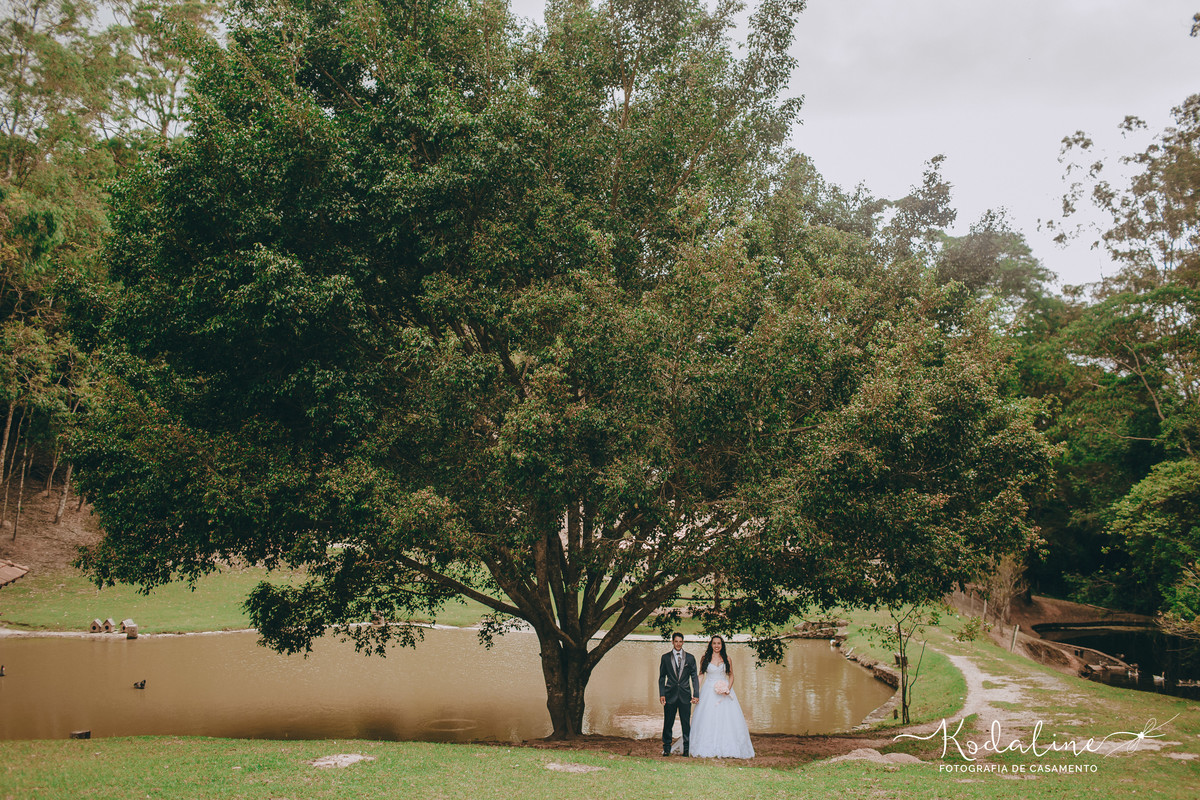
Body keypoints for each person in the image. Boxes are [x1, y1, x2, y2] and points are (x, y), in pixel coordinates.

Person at [676, 634, 755, 758]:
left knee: (727, 719)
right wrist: (696, 692)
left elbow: (731, 675)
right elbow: (701, 675)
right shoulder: (705, 658)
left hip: (725, 693)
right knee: (707, 717)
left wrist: (727, 689)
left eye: (719, 643)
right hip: (708, 691)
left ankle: (728, 746)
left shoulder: (727, 658)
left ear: (722, 645)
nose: (716, 646)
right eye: (714, 643)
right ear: (711, 645)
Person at [658, 631, 699, 756]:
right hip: (670, 694)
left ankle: (686, 749)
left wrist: (696, 693)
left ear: (683, 642)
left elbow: (694, 677)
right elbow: (661, 677)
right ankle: (666, 748)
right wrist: (662, 694)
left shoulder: (690, 658)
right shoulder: (665, 657)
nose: (678, 644)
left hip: (685, 694)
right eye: (676, 641)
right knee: (668, 722)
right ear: (672, 642)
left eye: (680, 641)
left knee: (685, 723)